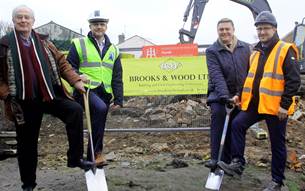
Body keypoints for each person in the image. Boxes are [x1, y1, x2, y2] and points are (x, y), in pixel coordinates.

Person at [0, 5, 93, 191]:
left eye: (27, 17)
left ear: (33, 21)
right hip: (23, 101)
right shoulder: (4, 45)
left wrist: (75, 81)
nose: (23, 20)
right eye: (19, 17)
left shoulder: (44, 42)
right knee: (27, 145)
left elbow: (62, 63)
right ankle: (28, 184)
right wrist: (7, 94)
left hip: (49, 94)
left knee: (74, 110)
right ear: (14, 21)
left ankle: (75, 158)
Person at [218, 11, 300, 191]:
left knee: (277, 143)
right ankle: (238, 162)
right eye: (259, 29)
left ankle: (277, 181)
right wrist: (240, 95)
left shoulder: (285, 49)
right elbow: (249, 78)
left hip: (275, 107)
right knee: (238, 124)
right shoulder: (255, 52)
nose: (262, 32)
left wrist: (284, 106)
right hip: (256, 104)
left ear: (274, 29)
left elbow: (294, 81)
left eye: (266, 28)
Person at [67, 10, 123, 166]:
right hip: (85, 90)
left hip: (104, 91)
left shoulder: (114, 49)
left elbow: (117, 75)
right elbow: (69, 67)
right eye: (95, 24)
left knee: (100, 121)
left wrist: (119, 98)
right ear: (90, 26)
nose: (99, 27)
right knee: (99, 109)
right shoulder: (79, 44)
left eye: (102, 24)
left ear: (106, 26)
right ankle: (95, 153)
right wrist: (78, 76)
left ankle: (93, 155)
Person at [204, 18, 251, 169]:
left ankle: (234, 161)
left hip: (240, 95)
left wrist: (239, 94)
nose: (224, 32)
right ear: (217, 31)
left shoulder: (246, 48)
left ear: (233, 30)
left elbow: (249, 73)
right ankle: (215, 158)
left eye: (227, 29)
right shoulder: (212, 50)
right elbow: (216, 75)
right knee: (219, 119)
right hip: (219, 95)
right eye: (221, 29)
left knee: (236, 126)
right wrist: (226, 98)